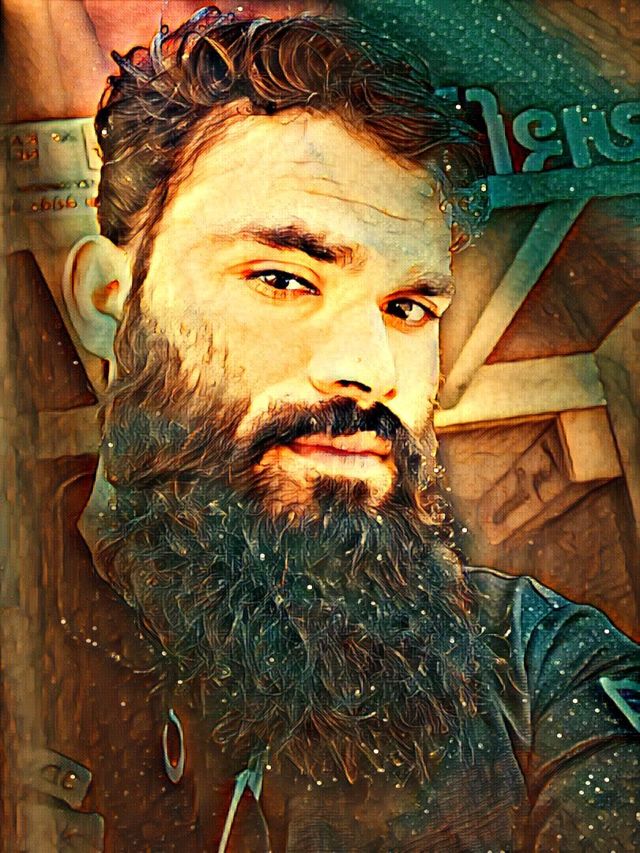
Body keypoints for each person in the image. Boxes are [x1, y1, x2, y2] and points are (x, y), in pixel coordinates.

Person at [13, 6, 640, 851]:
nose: (370, 369)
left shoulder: (538, 666)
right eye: (282, 278)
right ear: (110, 301)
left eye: (407, 307)